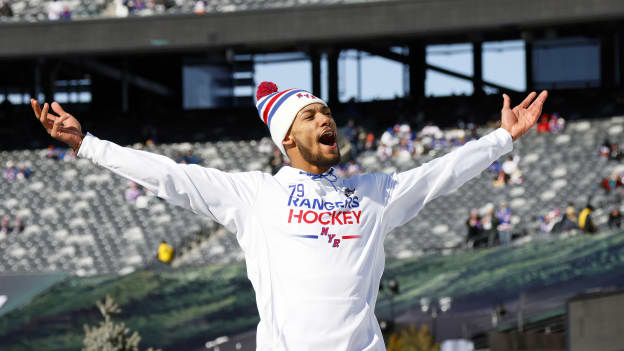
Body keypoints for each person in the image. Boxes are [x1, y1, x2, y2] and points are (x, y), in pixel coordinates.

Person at [31, 81, 547, 351]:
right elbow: (168, 174)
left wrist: (502, 138)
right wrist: (89, 145)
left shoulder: (373, 194)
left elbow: (442, 172)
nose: (327, 120)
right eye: (311, 115)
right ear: (287, 139)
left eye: (327, 113)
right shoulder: (254, 195)